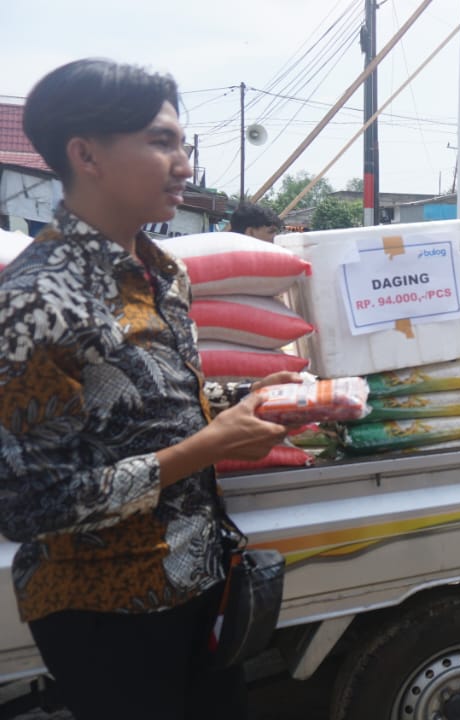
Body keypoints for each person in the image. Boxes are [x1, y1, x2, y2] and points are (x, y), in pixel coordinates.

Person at [0, 59, 296, 720]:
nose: (184, 164)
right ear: (86, 154)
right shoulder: (33, 300)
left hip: (197, 579)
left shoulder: (160, 273)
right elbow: (29, 507)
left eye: (183, 144)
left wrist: (239, 407)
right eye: (161, 142)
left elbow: (145, 415)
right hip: (105, 612)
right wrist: (209, 446)